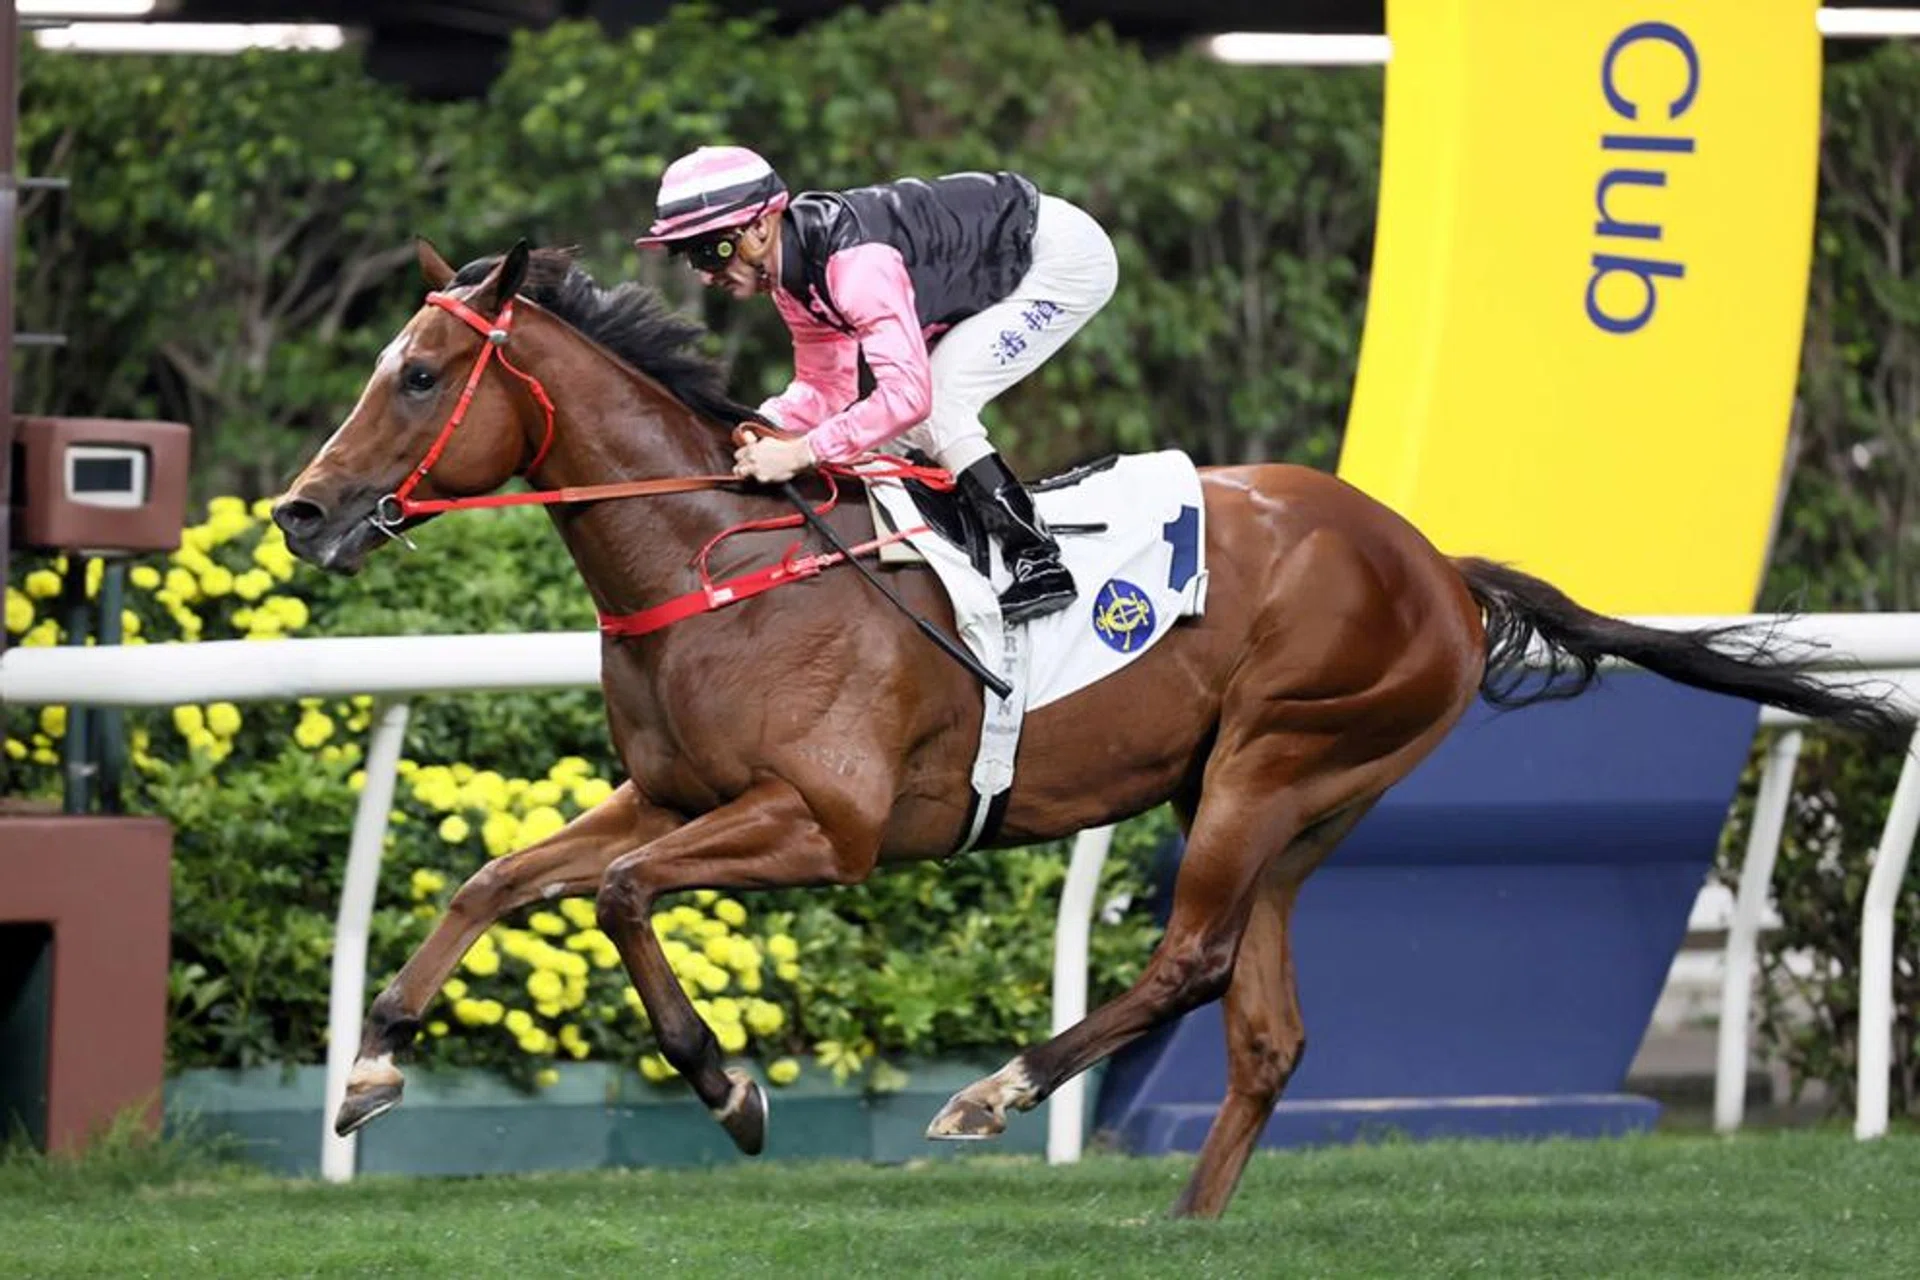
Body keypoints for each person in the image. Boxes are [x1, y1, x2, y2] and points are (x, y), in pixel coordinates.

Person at [634, 145, 1120, 625]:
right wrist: (759, 427)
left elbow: (909, 396)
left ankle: (1037, 558)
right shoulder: (792, 280)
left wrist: (801, 452)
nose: (703, 276)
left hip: (1059, 260)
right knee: (883, 436)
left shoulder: (855, 264)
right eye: (689, 257)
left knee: (935, 405)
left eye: (710, 251)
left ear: (760, 227)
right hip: (1001, 261)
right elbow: (826, 390)